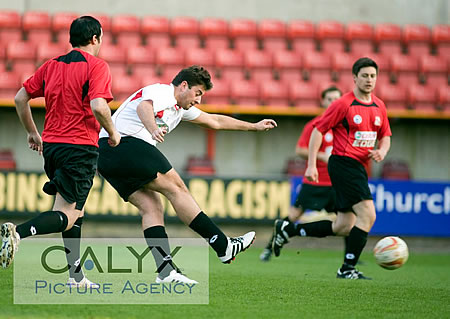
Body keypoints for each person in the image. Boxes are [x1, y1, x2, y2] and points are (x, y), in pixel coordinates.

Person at [97, 65, 277, 283]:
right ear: (184, 86)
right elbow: (144, 108)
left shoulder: (180, 108)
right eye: (197, 93)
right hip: (124, 143)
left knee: (152, 207)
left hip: (106, 155)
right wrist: (153, 128)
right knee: (177, 188)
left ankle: (165, 271)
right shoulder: (163, 92)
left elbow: (215, 121)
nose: (199, 100)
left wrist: (254, 127)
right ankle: (222, 245)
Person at [0, 16, 121, 289]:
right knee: (67, 215)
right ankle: (17, 233)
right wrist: (113, 134)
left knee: (74, 211)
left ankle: (75, 276)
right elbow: (100, 106)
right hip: (79, 148)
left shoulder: (51, 65)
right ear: (95, 39)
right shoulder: (97, 66)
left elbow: (21, 98)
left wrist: (32, 132)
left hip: (52, 147)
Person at [272, 57, 392, 280]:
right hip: (343, 164)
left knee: (344, 225)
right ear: (355, 77)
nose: (369, 80)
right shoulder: (343, 104)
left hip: (359, 167)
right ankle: (347, 269)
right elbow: (319, 130)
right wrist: (310, 165)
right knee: (368, 215)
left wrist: (382, 151)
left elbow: (385, 135)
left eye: (373, 76)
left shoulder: (379, 106)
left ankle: (290, 230)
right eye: (364, 75)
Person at [259, 86, 342, 262]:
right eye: (329, 99)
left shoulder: (344, 125)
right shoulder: (314, 124)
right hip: (315, 182)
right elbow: (300, 149)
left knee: (349, 218)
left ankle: (351, 260)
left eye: (337, 99)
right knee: (294, 215)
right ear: (323, 101)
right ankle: (269, 247)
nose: (333, 102)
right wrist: (321, 156)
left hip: (337, 182)